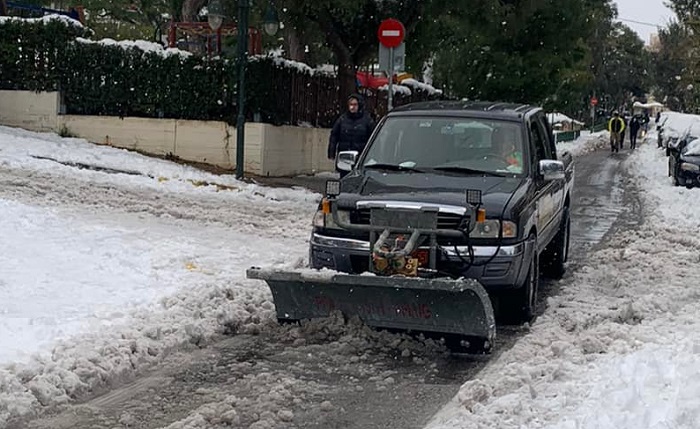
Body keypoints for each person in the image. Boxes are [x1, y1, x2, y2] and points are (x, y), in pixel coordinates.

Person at [327, 94, 376, 178]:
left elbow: (373, 138)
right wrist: (331, 151)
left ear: (359, 105)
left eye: (355, 105)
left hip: (360, 157)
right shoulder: (343, 119)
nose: (352, 107)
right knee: (344, 178)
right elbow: (334, 135)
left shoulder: (367, 120)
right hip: (345, 157)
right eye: (350, 104)